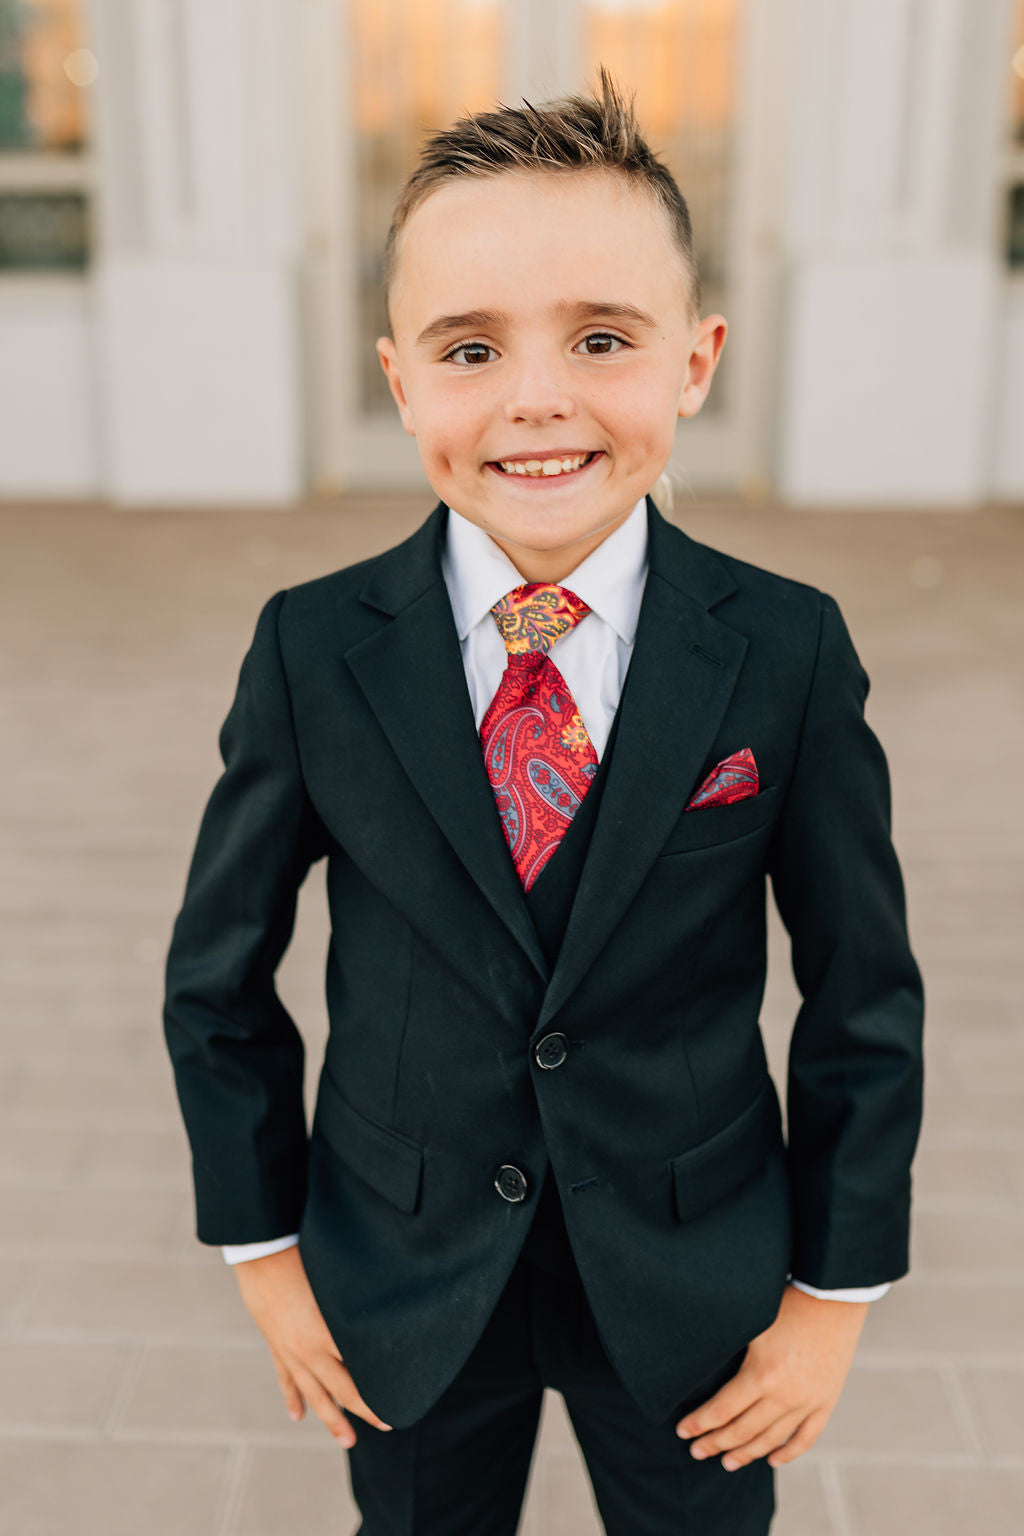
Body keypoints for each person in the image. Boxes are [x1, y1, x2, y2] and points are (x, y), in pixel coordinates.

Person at [163, 69, 924, 1535]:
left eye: (599, 338)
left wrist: (835, 1295)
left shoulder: (788, 647)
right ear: (398, 379)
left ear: (694, 360)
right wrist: (264, 1254)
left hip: (697, 1280)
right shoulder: (313, 649)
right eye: (469, 348)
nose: (536, 398)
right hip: (400, 1267)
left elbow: (863, 994)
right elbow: (216, 978)